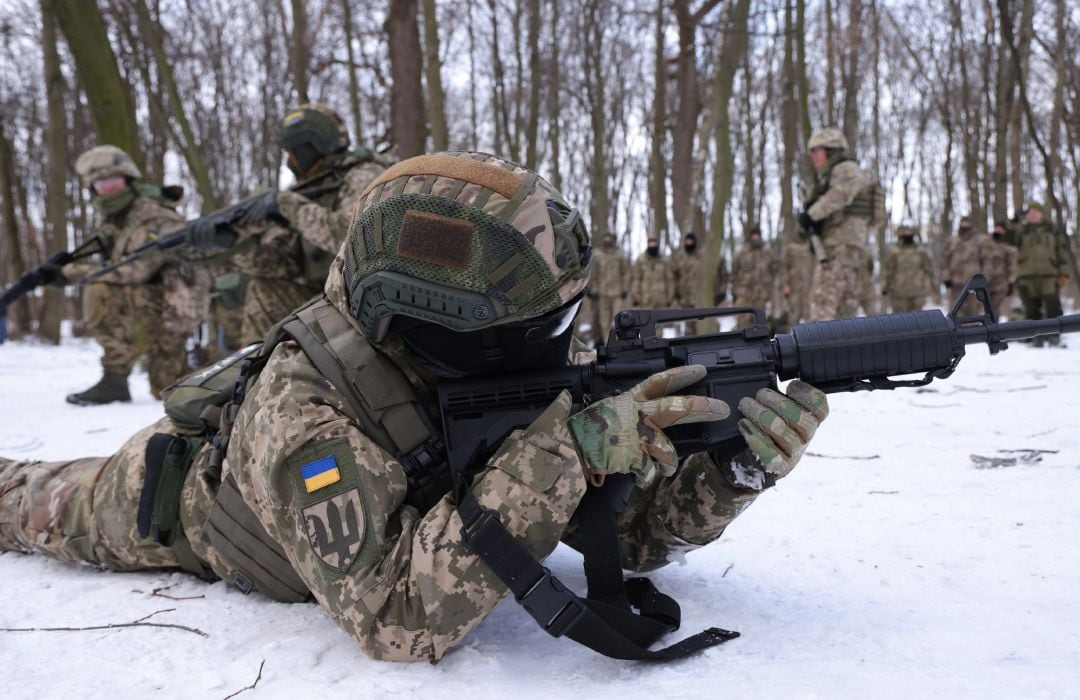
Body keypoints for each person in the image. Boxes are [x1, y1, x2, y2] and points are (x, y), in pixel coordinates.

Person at [0, 152, 828, 663]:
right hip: (178, 500)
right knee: (29, 498)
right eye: (547, 327)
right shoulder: (302, 410)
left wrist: (732, 470)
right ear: (448, 326)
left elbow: (624, 531)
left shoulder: (504, 349)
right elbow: (395, 616)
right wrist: (564, 453)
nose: (564, 344)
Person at [189, 103, 391, 345]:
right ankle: (258, 377)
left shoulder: (363, 174)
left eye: (293, 152)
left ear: (311, 146)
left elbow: (351, 236)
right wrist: (235, 244)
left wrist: (287, 205)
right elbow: (285, 265)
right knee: (263, 289)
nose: (289, 162)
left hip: (368, 301)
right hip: (331, 298)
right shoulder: (313, 190)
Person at [59, 145, 204, 404]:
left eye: (114, 182)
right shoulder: (117, 219)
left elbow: (136, 270)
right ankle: (115, 378)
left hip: (175, 309)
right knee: (100, 288)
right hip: (153, 303)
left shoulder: (152, 214)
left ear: (128, 180)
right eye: (102, 185)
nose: (109, 190)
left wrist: (73, 271)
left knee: (169, 388)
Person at [799, 128, 872, 321]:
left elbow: (841, 194)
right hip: (844, 250)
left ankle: (816, 349)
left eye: (817, 151)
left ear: (831, 150)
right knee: (844, 313)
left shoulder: (846, 169)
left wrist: (811, 215)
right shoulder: (833, 175)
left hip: (840, 250)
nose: (813, 157)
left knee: (822, 306)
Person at [1014, 203, 1071, 345]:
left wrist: (1063, 273)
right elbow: (1005, 239)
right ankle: (1035, 337)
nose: (1033, 214)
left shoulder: (1053, 230)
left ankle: (1053, 335)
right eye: (1030, 212)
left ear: (1042, 214)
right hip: (1026, 276)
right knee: (1031, 308)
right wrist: (1014, 220)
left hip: (1049, 275)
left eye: (1036, 211)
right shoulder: (1021, 231)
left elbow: (1062, 252)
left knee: (1053, 306)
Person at [672, 231, 728, 335]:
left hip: (702, 300)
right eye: (687, 241)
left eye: (691, 241)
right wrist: (676, 296)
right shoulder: (679, 258)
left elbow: (721, 274)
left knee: (705, 328)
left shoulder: (703, 257)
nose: (689, 243)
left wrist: (720, 292)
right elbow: (675, 277)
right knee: (689, 330)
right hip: (686, 301)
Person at [586, 231, 632, 343]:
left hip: (617, 294)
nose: (607, 241)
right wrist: (593, 290)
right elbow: (593, 274)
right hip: (602, 294)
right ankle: (608, 344)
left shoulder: (621, 255)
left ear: (614, 241)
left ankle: (620, 343)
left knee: (619, 321)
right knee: (604, 322)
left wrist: (625, 289)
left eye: (609, 239)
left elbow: (626, 273)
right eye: (605, 239)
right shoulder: (597, 254)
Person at [943, 215, 993, 317]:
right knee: (955, 312)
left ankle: (973, 332)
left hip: (973, 283)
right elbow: (944, 261)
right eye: (963, 223)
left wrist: (984, 279)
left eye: (967, 223)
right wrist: (946, 277)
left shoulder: (980, 241)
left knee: (973, 314)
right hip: (955, 283)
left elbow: (987, 261)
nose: (965, 225)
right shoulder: (952, 241)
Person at [882, 225, 935, 313]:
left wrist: (934, 289)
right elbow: (888, 271)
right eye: (904, 233)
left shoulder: (920, 251)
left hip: (917, 292)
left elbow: (929, 269)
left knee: (917, 321)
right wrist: (885, 287)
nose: (907, 235)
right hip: (899, 294)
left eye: (909, 233)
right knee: (900, 321)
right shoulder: (894, 251)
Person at [730, 225, 776, 313]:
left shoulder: (767, 254)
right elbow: (733, 273)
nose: (755, 238)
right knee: (743, 321)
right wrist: (734, 292)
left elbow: (773, 271)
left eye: (757, 235)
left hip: (761, 295)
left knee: (759, 322)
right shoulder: (741, 253)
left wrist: (768, 290)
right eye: (754, 235)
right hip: (743, 294)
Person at [986, 220, 1019, 319]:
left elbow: (1012, 265)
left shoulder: (1009, 246)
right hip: (986, 281)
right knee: (985, 309)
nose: (998, 230)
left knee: (995, 310)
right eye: (997, 228)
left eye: (1001, 229)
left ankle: (995, 330)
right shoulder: (987, 243)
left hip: (1001, 283)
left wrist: (1011, 281)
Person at [631, 236, 675, 308]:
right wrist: (636, 295)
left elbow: (670, 279)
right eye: (650, 243)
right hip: (645, 299)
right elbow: (636, 278)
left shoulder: (664, 260)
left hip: (661, 299)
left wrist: (670, 297)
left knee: (662, 318)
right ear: (647, 244)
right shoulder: (641, 259)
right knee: (645, 319)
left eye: (654, 243)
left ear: (657, 244)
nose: (652, 245)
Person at [780, 240, 814, 325]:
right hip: (794, 287)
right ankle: (792, 333)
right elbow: (785, 268)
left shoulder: (811, 245)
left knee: (808, 314)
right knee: (794, 314)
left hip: (808, 287)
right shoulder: (791, 249)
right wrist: (785, 284)